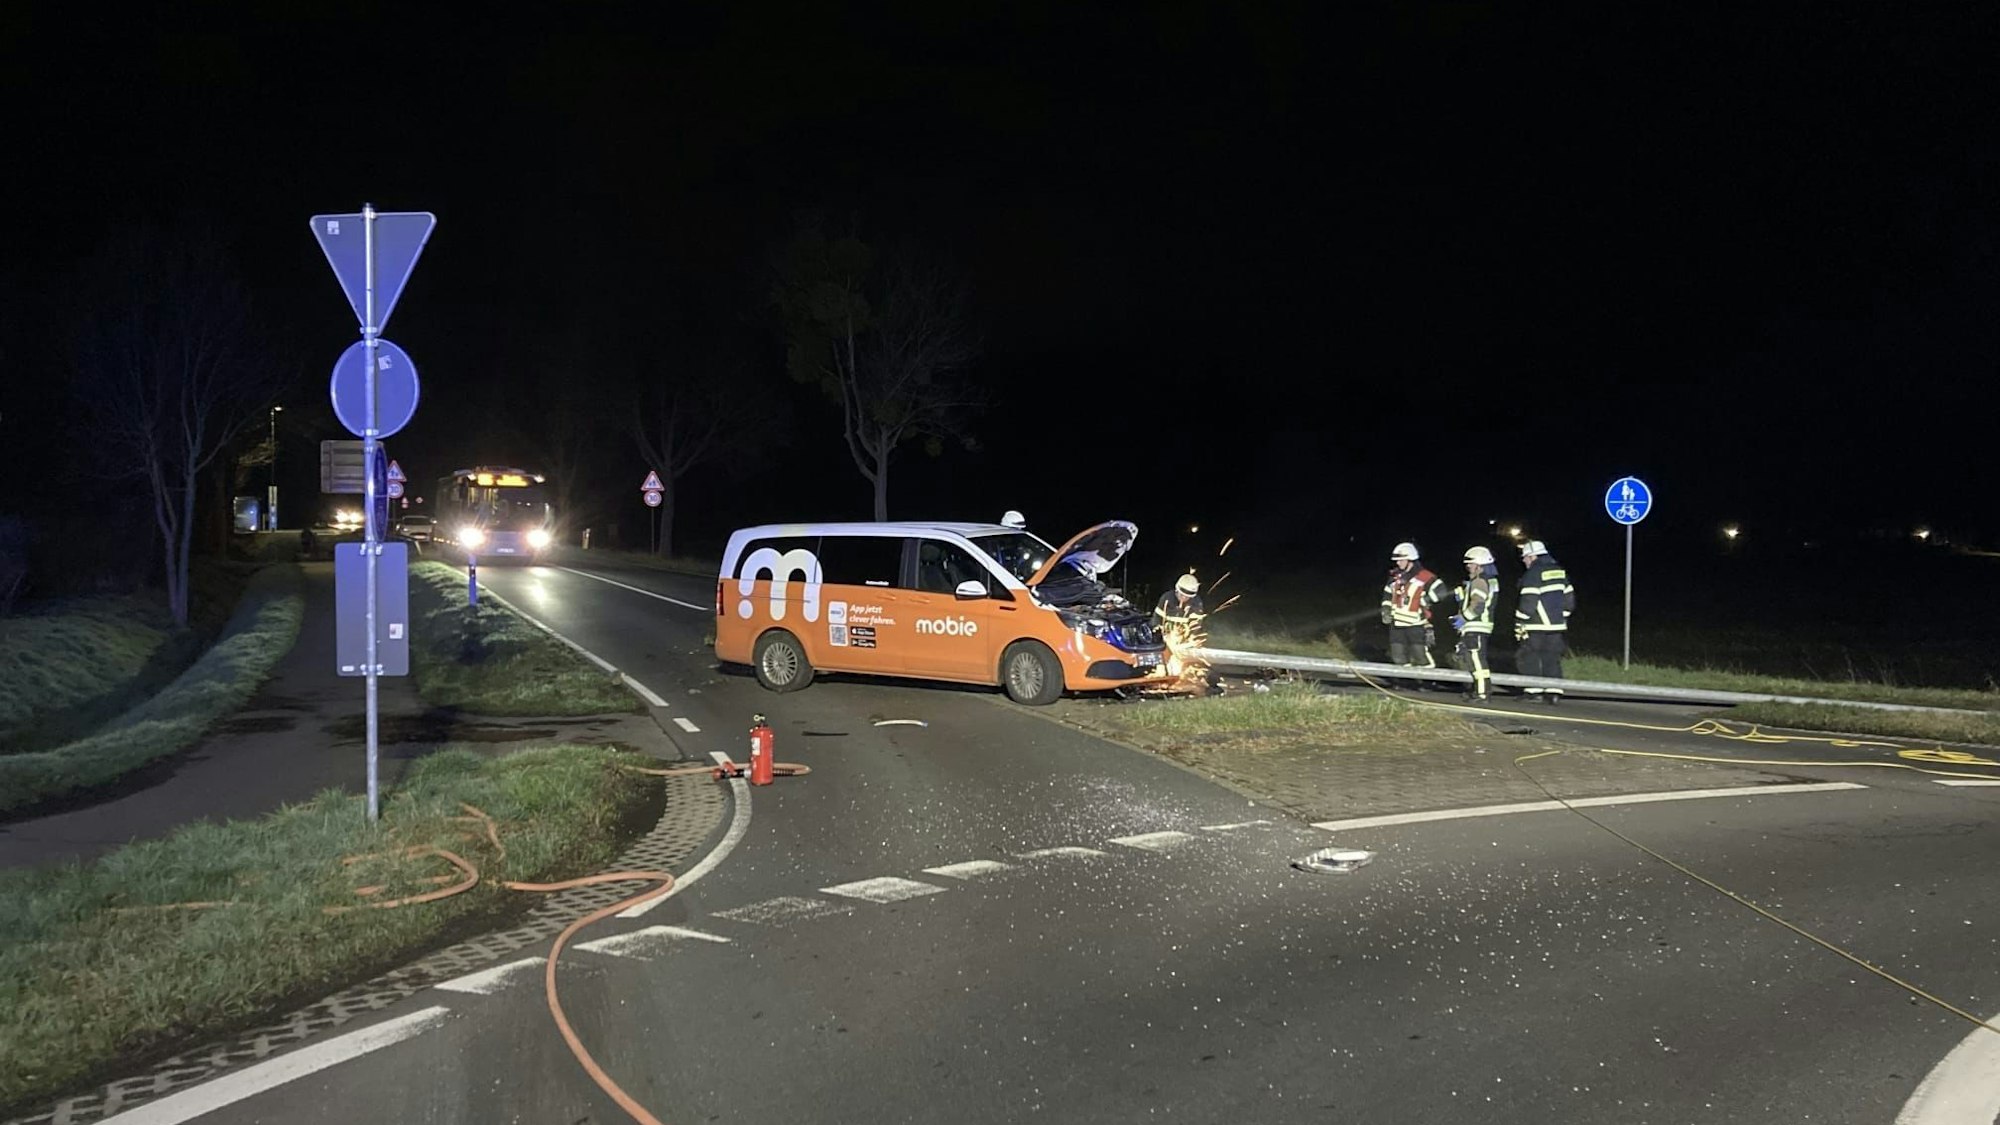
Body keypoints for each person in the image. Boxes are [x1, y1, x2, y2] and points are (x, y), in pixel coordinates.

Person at [1515, 539, 1576, 704]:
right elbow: (1569, 599)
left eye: (1526, 558)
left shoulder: (1533, 573)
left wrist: (1520, 620)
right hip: (1557, 625)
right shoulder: (1560, 571)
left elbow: (1529, 600)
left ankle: (1533, 692)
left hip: (1535, 624)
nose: (1524, 561)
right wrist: (1561, 615)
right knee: (1552, 657)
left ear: (1533, 556)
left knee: (1529, 656)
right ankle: (1554, 692)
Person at [1448, 546, 1499, 702]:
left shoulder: (1479, 581)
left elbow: (1478, 605)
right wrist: (1463, 597)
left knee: (1477, 661)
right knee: (1471, 660)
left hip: (1476, 627)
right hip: (1477, 627)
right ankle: (1477, 691)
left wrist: (1463, 618)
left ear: (1479, 564)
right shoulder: (1482, 581)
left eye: (1471, 564)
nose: (1468, 567)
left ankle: (1483, 694)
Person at [1379, 542, 1438, 669]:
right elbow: (1388, 594)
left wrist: (1423, 602)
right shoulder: (1395, 576)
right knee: (1398, 656)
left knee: (1420, 656)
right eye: (1397, 560)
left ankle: (1427, 684)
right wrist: (1386, 609)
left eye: (1401, 560)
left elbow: (1441, 592)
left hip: (1416, 625)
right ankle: (1404, 683)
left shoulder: (1425, 576)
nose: (1398, 563)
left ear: (1410, 559)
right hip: (1397, 624)